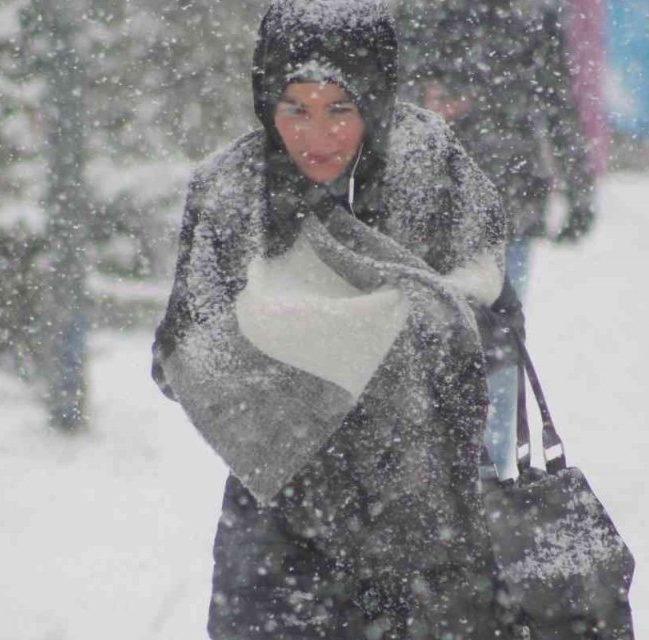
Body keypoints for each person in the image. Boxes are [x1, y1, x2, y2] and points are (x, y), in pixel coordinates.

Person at [151, 1, 521, 637]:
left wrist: (374, 335)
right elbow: (182, 355)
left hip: (423, 518)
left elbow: (486, 313)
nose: (315, 137)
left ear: (375, 98)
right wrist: (297, 371)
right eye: (295, 108)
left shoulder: (428, 167)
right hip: (277, 526)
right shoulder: (232, 190)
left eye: (340, 109)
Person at [398, 0, 598, 481]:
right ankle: (485, 475)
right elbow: (557, 101)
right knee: (496, 341)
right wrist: (577, 189)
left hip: (452, 200)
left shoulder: (426, 14)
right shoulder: (530, 13)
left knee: (455, 340)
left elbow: (554, 100)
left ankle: (467, 473)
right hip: (491, 196)